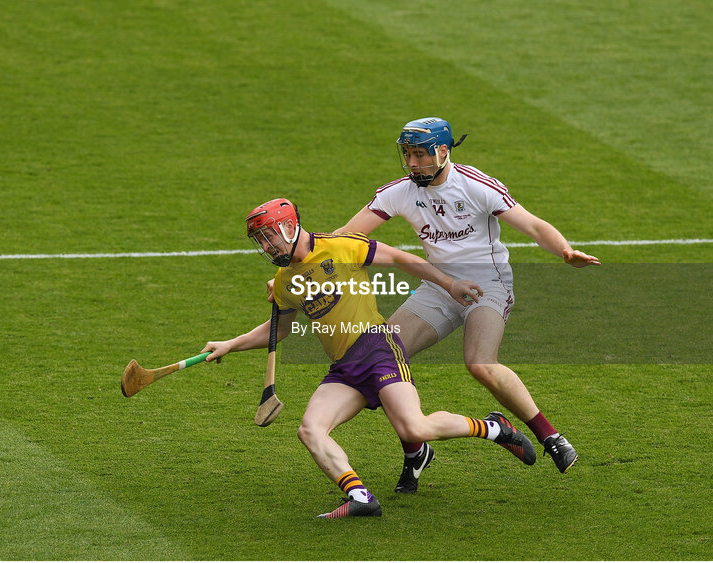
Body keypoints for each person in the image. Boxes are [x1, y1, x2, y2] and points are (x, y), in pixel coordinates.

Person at [202, 198, 536, 519]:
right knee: (310, 430)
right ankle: (360, 497)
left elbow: (402, 259)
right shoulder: (284, 280)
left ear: (289, 227)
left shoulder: (341, 246)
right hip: (344, 369)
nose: (267, 247)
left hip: (378, 349)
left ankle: (494, 428)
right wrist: (230, 344)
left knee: (414, 426)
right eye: (260, 242)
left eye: (269, 236)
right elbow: (280, 330)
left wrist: (449, 284)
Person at [333, 117, 600, 490]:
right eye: (407, 154)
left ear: (443, 152)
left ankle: (549, 435)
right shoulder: (398, 192)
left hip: (487, 285)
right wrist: (296, 266)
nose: (411, 163)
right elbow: (344, 238)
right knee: (381, 356)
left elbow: (534, 225)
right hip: (439, 287)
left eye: (419, 155)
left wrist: (565, 251)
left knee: (479, 363)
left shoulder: (475, 185)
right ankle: (416, 451)